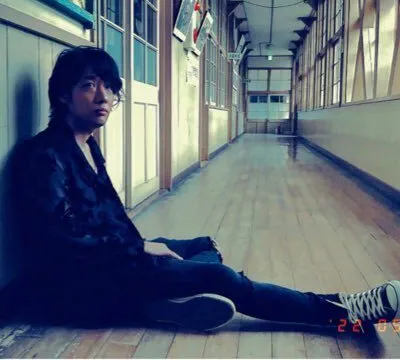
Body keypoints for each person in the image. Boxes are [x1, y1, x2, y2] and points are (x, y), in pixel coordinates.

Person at [15, 46, 400, 332]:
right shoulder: (44, 156)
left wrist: (142, 246)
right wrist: (140, 248)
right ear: (63, 94)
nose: (103, 97)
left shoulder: (86, 144)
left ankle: (161, 302)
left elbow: (102, 223)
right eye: (88, 86)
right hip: (85, 287)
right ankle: (343, 309)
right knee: (222, 277)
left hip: (113, 260)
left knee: (201, 246)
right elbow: (61, 243)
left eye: (110, 88)